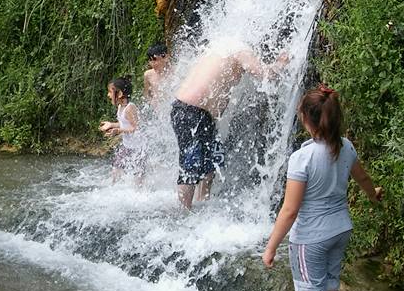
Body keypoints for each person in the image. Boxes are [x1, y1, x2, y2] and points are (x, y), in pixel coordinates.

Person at [261, 86, 383, 291]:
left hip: (311, 238)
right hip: (340, 230)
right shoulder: (346, 146)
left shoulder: (302, 158)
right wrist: (373, 195)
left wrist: (271, 247)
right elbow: (363, 179)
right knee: (330, 288)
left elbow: (289, 210)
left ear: (307, 119)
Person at [171, 44, 288, 209]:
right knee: (190, 166)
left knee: (211, 161)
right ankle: (184, 213)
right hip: (192, 112)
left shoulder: (220, 47)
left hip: (191, 112)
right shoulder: (240, 50)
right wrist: (281, 63)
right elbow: (265, 75)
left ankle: (201, 206)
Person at [99, 77, 146, 185]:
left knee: (138, 181)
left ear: (119, 94)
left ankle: (140, 196)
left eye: (110, 92)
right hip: (127, 146)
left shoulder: (130, 108)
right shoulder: (120, 107)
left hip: (138, 149)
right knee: (115, 172)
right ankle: (113, 191)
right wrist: (111, 124)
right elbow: (124, 124)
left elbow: (137, 128)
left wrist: (119, 130)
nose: (108, 95)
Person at [143, 44, 170, 110]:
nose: (152, 63)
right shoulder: (148, 74)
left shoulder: (176, 72)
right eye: (150, 60)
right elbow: (146, 95)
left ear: (166, 57)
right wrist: (151, 103)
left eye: (155, 60)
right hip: (157, 111)